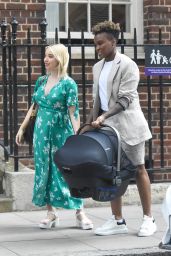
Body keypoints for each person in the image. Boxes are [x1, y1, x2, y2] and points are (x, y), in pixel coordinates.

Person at [87, 20, 157, 237]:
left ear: (113, 42)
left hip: (128, 125)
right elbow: (96, 101)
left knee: (138, 169)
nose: (97, 48)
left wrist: (104, 116)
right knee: (111, 172)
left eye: (101, 43)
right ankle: (118, 221)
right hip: (107, 127)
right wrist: (88, 125)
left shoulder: (128, 64)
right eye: (95, 44)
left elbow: (126, 99)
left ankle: (148, 219)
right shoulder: (97, 67)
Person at [16, 44, 93, 230]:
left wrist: (77, 137)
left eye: (50, 56)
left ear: (60, 58)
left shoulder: (68, 84)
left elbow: (74, 112)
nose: (45, 59)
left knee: (68, 169)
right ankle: (51, 214)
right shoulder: (41, 81)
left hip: (61, 132)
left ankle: (79, 212)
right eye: (45, 56)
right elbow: (35, 107)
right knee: (44, 169)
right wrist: (22, 127)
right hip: (41, 133)